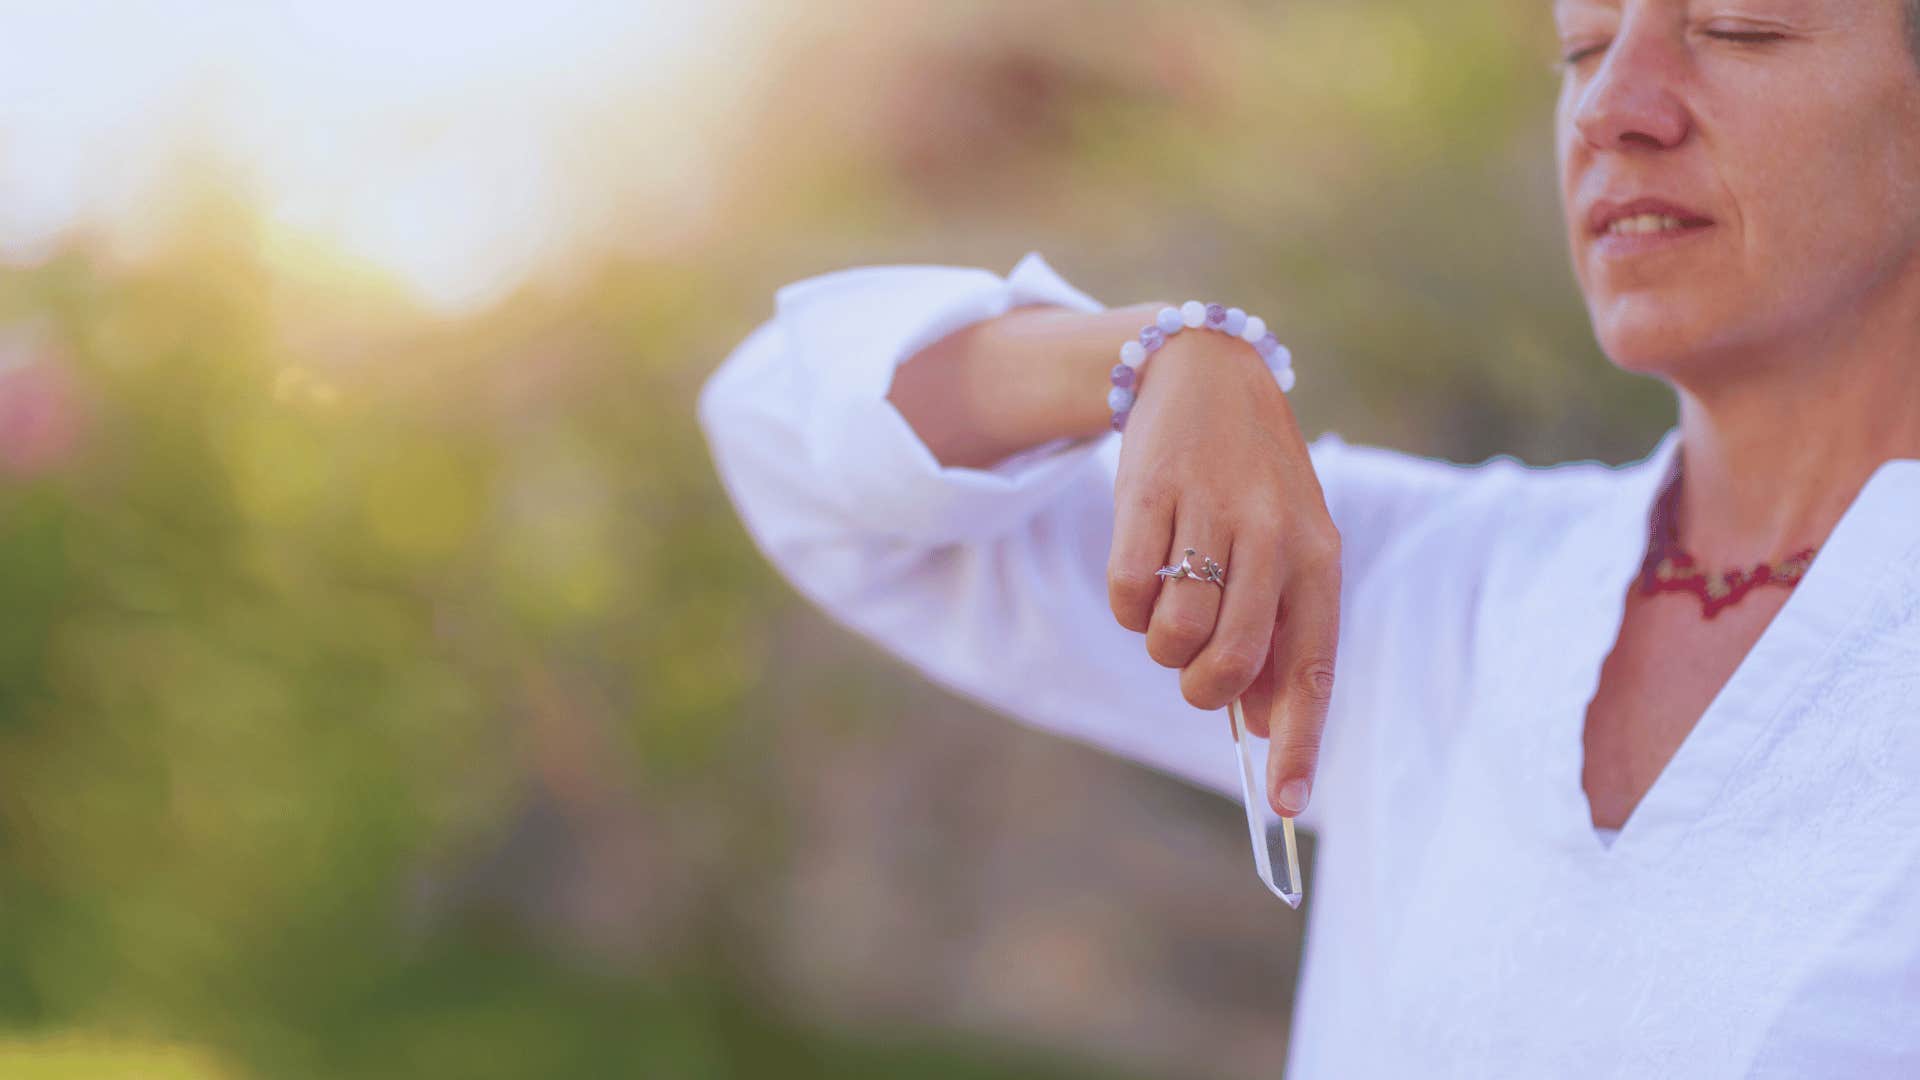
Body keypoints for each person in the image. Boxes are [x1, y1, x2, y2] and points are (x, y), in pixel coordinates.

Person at [697, 1, 1920, 1074]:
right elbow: (793, 448)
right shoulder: (1433, 584)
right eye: (1582, 44)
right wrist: (1158, 354)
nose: (1613, 107)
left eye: (1741, 29)